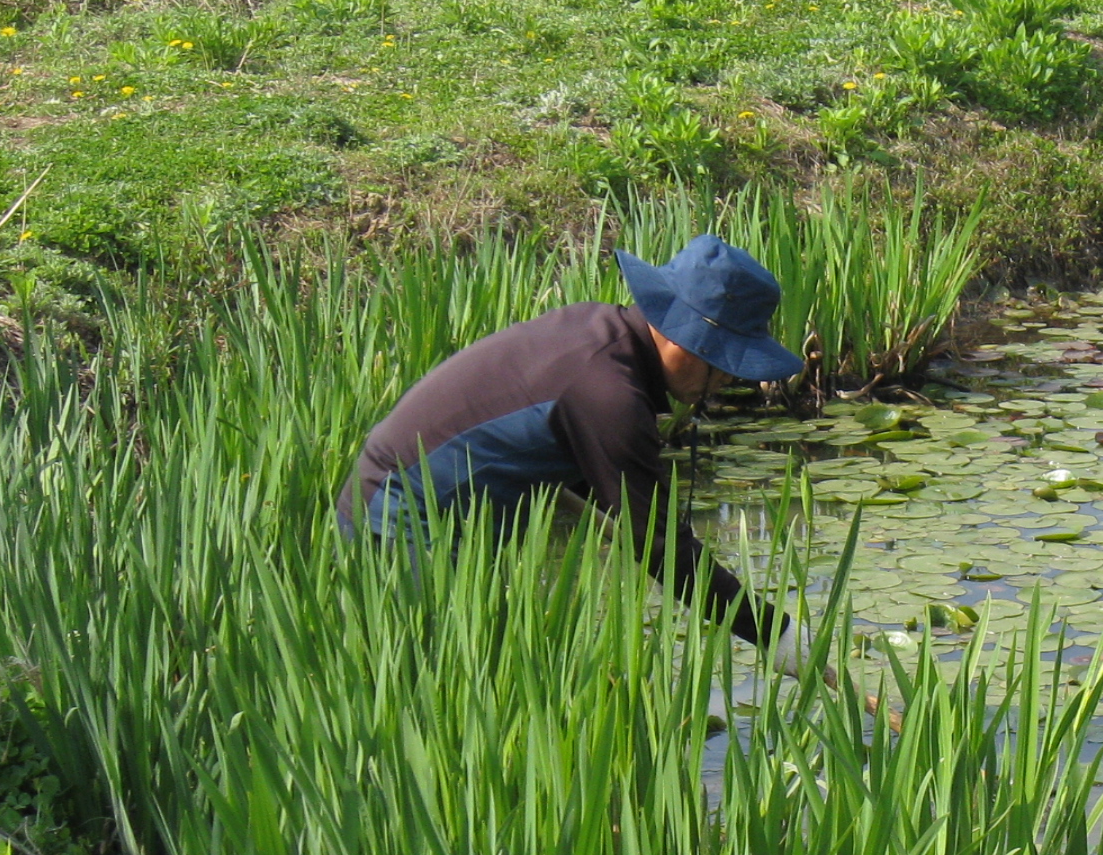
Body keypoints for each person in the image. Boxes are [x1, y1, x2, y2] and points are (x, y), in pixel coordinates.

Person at [338, 235, 806, 653]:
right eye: (719, 361)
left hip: (431, 511)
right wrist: (774, 634)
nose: (723, 379)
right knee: (439, 681)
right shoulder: (609, 395)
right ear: (678, 337)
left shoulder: (599, 331)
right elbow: (661, 547)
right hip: (401, 519)